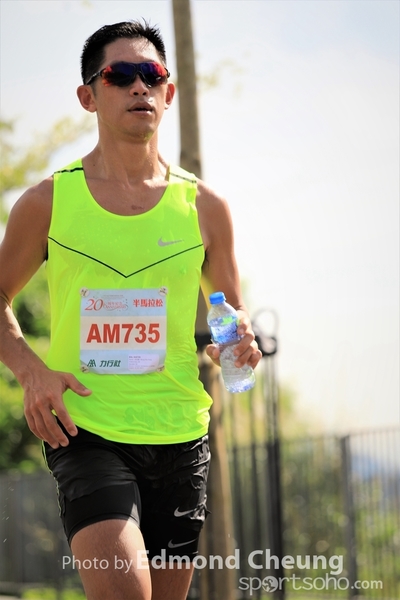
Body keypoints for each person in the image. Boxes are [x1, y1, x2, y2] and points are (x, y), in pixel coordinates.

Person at [0, 20, 261, 600]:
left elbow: (229, 312)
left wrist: (236, 344)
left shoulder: (206, 207)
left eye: (153, 74)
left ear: (169, 92)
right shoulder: (46, 203)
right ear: (88, 96)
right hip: (86, 429)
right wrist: (31, 371)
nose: (140, 86)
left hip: (180, 432)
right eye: (120, 75)